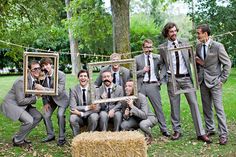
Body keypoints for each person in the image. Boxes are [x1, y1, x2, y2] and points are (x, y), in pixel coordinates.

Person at [158, 22, 211, 143]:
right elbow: (162, 64)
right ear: (167, 33)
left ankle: (201, 133)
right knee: (174, 105)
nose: (174, 33)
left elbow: (193, 59)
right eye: (171, 31)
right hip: (173, 79)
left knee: (193, 103)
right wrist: (162, 76)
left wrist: (200, 70)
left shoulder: (185, 42)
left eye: (175, 30)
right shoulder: (162, 47)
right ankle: (177, 131)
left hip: (186, 78)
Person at [196, 24, 231, 145]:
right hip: (203, 82)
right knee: (206, 108)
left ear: (205, 34)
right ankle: (210, 129)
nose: (197, 36)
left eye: (198, 33)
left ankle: (223, 134)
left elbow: (227, 64)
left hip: (216, 82)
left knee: (219, 108)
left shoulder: (218, 46)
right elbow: (199, 64)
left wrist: (222, 79)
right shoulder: (198, 46)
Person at [0, 60, 42, 147]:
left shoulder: (34, 79)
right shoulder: (22, 81)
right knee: (29, 121)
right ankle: (18, 141)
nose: (38, 70)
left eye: (39, 68)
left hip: (23, 104)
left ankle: (19, 137)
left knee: (38, 116)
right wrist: (36, 97)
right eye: (35, 69)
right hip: (12, 104)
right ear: (30, 70)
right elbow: (20, 101)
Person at [135, 39, 170, 137]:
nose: (149, 49)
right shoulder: (137, 58)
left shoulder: (157, 57)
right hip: (141, 85)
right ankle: (143, 128)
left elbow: (164, 67)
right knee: (141, 108)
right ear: (143, 48)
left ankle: (164, 129)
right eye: (146, 47)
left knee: (158, 108)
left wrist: (161, 80)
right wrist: (142, 71)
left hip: (153, 85)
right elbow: (132, 73)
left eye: (150, 47)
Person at [35, 57, 69, 146]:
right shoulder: (42, 76)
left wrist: (43, 88)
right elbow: (43, 93)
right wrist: (45, 103)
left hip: (62, 99)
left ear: (51, 64)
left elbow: (59, 90)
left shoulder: (61, 74)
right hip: (50, 100)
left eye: (46, 65)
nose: (45, 67)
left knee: (60, 115)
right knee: (46, 114)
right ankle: (50, 135)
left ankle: (62, 137)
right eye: (43, 66)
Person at [120, 80, 157, 145]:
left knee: (143, 124)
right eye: (126, 86)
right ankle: (136, 135)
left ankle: (149, 136)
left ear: (135, 88)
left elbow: (144, 115)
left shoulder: (141, 97)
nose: (126, 88)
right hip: (136, 119)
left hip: (148, 117)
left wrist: (132, 106)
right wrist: (126, 115)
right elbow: (126, 117)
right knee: (123, 125)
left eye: (129, 86)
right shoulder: (124, 99)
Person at [69, 69, 99, 136]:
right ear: (78, 78)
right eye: (81, 76)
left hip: (90, 114)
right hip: (79, 117)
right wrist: (88, 107)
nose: (83, 78)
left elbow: (97, 108)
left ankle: (89, 137)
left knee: (94, 116)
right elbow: (73, 107)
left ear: (88, 78)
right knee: (72, 118)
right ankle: (76, 138)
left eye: (85, 76)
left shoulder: (95, 89)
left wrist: (81, 113)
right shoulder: (73, 89)